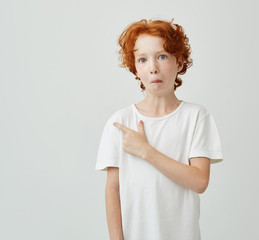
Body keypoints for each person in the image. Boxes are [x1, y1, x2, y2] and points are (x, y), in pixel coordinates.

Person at [95, 19, 223, 240]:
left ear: (179, 63)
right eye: (143, 59)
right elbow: (113, 190)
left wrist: (146, 151)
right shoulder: (120, 122)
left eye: (162, 56)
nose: (153, 67)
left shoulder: (196, 117)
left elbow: (200, 182)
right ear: (135, 67)